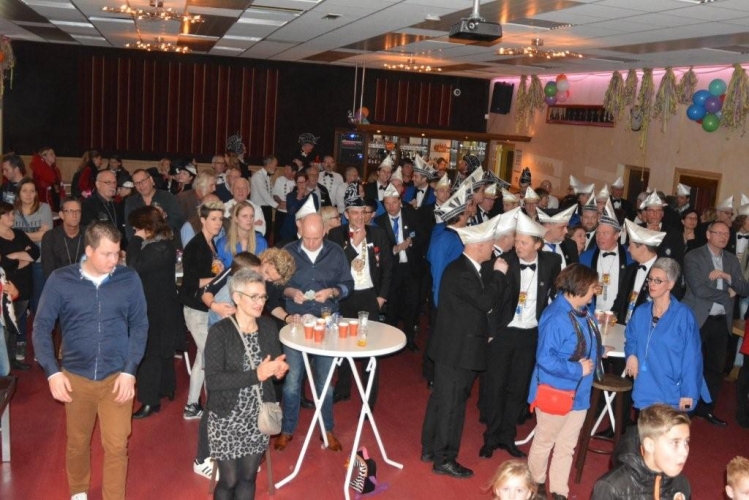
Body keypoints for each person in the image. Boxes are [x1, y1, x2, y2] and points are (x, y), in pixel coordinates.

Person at [32, 221, 148, 500]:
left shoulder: (128, 278)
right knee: (77, 442)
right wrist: (52, 372)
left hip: (117, 378)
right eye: (107, 254)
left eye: (117, 253)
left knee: (117, 446)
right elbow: (41, 327)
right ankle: (78, 492)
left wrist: (130, 371)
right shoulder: (61, 280)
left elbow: (140, 325)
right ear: (89, 251)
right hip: (76, 378)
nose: (114, 260)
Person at [421, 215, 505, 479]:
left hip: (453, 347)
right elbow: (485, 301)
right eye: (490, 244)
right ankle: (445, 458)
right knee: (452, 406)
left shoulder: (464, 268)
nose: (492, 248)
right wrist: (499, 275)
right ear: (478, 245)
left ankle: (430, 448)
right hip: (457, 351)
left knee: (441, 400)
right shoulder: (462, 272)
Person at [481, 212, 561, 460]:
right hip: (504, 333)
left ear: (538, 244)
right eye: (516, 241)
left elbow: (556, 293)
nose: (517, 246)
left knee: (518, 388)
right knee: (495, 385)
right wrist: (491, 332)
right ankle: (491, 437)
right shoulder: (503, 262)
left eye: (524, 242)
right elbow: (491, 301)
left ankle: (508, 435)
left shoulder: (552, 262)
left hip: (530, 335)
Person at [204, 269, 289, 500]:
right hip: (226, 418)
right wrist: (256, 375)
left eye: (263, 296)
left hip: (258, 417)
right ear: (237, 297)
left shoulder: (268, 327)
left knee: (248, 477)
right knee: (229, 480)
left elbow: (272, 371)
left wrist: (278, 371)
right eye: (254, 296)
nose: (260, 302)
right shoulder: (220, 332)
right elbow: (213, 380)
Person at [275, 212, 354, 453]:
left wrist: (332, 291)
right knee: (292, 382)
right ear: (299, 229)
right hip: (296, 323)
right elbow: (277, 285)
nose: (310, 243)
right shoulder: (288, 251)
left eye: (316, 238)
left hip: (326, 322)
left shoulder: (336, 252)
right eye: (306, 237)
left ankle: (327, 428)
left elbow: (348, 285)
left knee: (325, 382)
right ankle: (287, 429)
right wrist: (291, 293)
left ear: (325, 232)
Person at [526, 264, 603, 500]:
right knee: (545, 442)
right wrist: (577, 369)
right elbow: (545, 359)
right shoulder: (556, 316)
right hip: (556, 391)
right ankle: (536, 486)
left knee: (567, 446)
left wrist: (598, 351)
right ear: (580, 287)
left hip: (579, 393)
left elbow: (583, 343)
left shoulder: (583, 311)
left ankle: (560, 490)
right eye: (593, 287)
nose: (595, 292)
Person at [328, 186, 393, 406]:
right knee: (343, 345)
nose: (359, 217)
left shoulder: (378, 234)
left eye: (363, 212)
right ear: (346, 214)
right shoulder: (335, 235)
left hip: (369, 296)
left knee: (370, 347)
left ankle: (369, 398)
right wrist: (355, 245)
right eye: (354, 212)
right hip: (345, 296)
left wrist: (382, 296)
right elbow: (335, 268)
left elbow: (388, 268)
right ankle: (343, 387)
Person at [682, 220, 749, 426]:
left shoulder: (731, 259)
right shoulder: (694, 256)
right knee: (689, 364)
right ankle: (685, 408)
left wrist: (727, 276)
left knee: (715, 368)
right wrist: (728, 294)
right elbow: (699, 289)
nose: (723, 237)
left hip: (721, 321)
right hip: (698, 318)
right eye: (718, 233)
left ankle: (706, 409)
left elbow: (744, 289)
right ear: (708, 234)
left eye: (726, 234)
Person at [624, 258, 703, 412]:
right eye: (650, 279)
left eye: (658, 281)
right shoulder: (641, 312)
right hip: (644, 388)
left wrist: (688, 392)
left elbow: (692, 357)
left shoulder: (684, 315)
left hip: (671, 391)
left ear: (671, 284)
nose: (652, 284)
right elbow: (631, 337)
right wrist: (631, 355)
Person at [127, 206, 181, 419]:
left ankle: (150, 401)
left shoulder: (155, 248)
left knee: (149, 353)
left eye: (137, 227)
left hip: (153, 307)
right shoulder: (165, 243)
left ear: (147, 227)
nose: (134, 230)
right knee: (163, 351)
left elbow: (133, 265)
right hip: (164, 305)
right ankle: (167, 387)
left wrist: (135, 240)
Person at [179, 200, 226, 420]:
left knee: (203, 356)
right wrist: (220, 277)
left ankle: (192, 405)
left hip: (205, 307)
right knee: (209, 354)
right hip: (195, 309)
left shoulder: (210, 243)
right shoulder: (196, 246)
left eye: (220, 219)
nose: (218, 223)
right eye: (213, 219)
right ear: (203, 220)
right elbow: (191, 282)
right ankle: (210, 405)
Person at [591, 404, 692, 499]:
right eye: (675, 443)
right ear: (649, 445)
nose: (685, 452)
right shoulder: (612, 488)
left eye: (686, 442)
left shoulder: (681, 484)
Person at [375, 183, 427, 352]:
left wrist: (411, 243)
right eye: (387, 203)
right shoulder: (380, 222)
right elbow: (379, 248)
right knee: (392, 306)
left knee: (412, 305)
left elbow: (424, 237)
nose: (391, 207)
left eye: (394, 203)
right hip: (392, 271)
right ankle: (389, 340)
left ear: (400, 202)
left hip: (412, 269)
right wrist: (395, 249)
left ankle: (409, 338)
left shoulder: (412, 215)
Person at [0, 201, 40, 371]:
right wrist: (22, 258)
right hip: (5, 290)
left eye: (13, 213)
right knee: (6, 327)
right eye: (8, 214)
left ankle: (10, 360)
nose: (12, 216)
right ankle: (6, 364)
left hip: (24, 288)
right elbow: (3, 264)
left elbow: (35, 252)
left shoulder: (19, 233)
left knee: (14, 325)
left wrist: (14, 255)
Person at [13, 177, 53, 323]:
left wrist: (20, 235)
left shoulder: (44, 208)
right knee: (19, 300)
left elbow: (46, 236)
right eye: (24, 191)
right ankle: (21, 333)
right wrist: (36, 234)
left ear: (36, 193)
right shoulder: (12, 211)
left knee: (38, 299)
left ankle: (38, 329)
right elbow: (8, 237)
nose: (28, 194)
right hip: (19, 261)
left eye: (32, 191)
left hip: (39, 260)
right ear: (19, 193)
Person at [124, 168, 184, 242]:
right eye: (137, 183)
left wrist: (164, 217)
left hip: (165, 242)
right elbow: (129, 228)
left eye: (143, 181)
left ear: (151, 180)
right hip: (141, 244)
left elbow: (179, 220)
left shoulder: (167, 197)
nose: (141, 185)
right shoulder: (131, 202)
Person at [216, 202, 268, 269]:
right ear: (236, 219)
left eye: (252, 216)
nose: (249, 220)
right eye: (244, 216)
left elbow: (265, 269)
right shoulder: (223, 243)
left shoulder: (261, 241)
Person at [81, 170, 126, 244]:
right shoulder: (88, 205)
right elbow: (91, 232)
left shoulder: (116, 205)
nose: (112, 186)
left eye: (114, 182)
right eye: (108, 182)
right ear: (98, 184)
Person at [250, 155, 279, 235]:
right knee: (260, 231)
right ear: (269, 164)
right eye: (275, 164)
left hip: (267, 208)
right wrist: (277, 205)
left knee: (268, 231)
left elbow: (270, 192)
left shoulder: (267, 176)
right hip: (259, 208)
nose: (276, 167)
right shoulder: (258, 176)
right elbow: (264, 193)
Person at [29, 146, 65, 212]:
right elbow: (38, 186)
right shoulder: (38, 171)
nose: (54, 156)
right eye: (51, 154)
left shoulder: (56, 169)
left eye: (54, 154)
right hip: (45, 202)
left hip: (56, 200)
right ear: (44, 156)